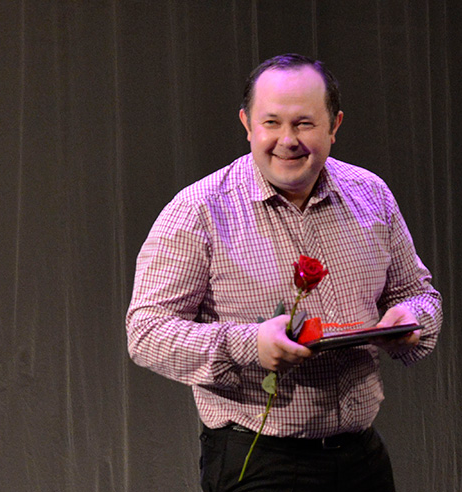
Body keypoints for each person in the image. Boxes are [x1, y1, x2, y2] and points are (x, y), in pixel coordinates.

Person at [126, 53, 442, 491]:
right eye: (271, 123)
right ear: (247, 124)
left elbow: (418, 294)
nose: (287, 140)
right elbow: (146, 332)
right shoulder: (199, 210)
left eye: (304, 123)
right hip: (261, 461)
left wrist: (412, 319)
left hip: (361, 458)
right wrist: (249, 344)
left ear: (334, 126)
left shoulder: (371, 194)